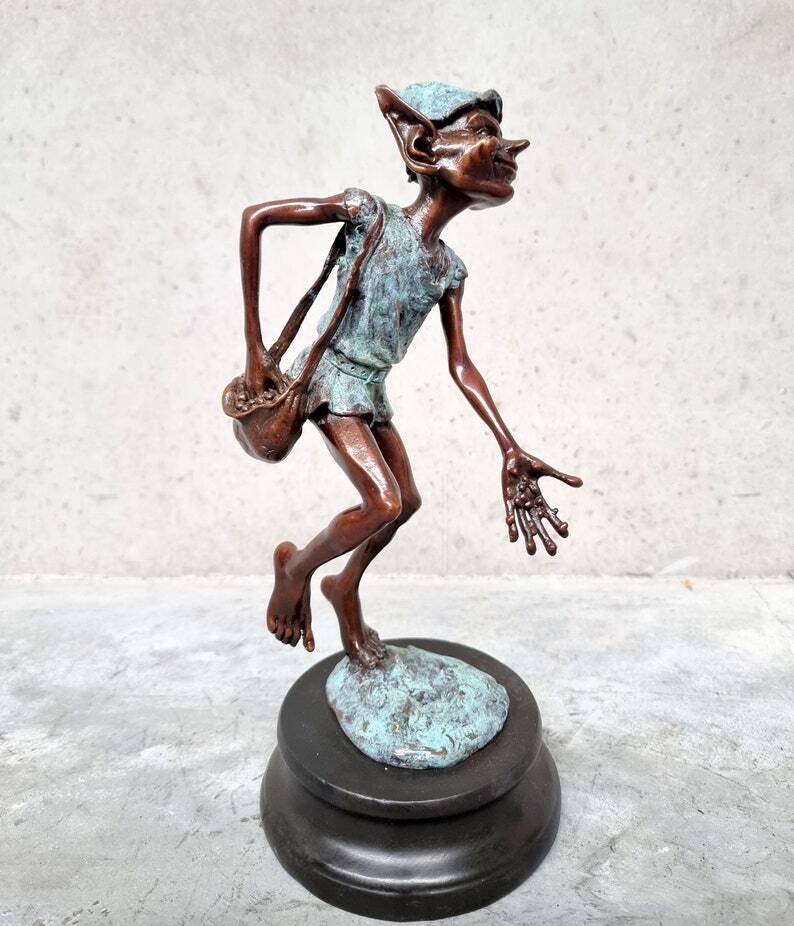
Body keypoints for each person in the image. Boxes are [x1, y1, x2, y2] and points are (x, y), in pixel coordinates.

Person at [239, 82, 582, 666]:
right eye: (483, 132)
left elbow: (461, 364)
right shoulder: (368, 214)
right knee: (382, 502)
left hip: (370, 390)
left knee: (407, 501)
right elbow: (256, 219)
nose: (509, 148)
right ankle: (295, 570)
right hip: (331, 381)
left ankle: (343, 586)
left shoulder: (448, 268)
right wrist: (254, 349)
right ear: (421, 145)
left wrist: (509, 445)